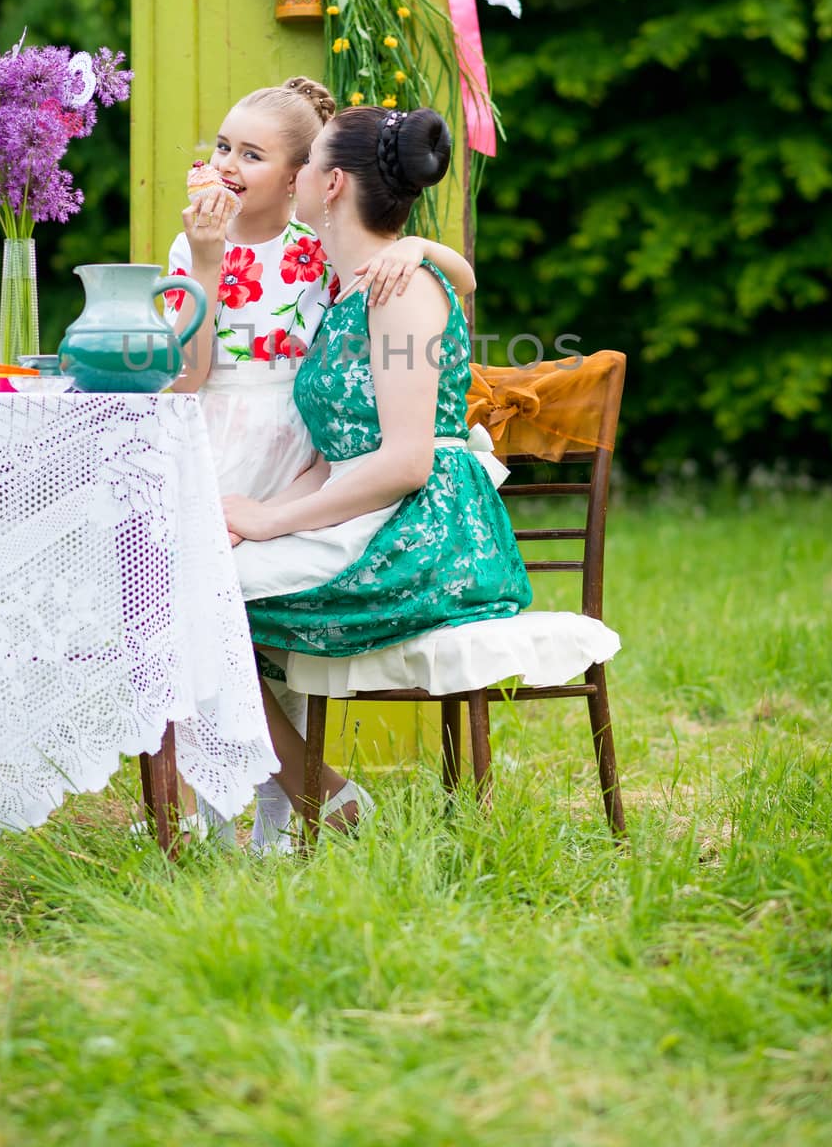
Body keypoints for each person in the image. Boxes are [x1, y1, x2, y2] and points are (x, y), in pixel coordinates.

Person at [222, 105, 616, 832]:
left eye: (307, 165)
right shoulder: (352, 292)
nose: (300, 175)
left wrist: (272, 520)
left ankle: (319, 800)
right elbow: (344, 452)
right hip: (371, 517)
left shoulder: (404, 294)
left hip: (425, 537)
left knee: (197, 608)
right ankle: (313, 798)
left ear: (332, 184)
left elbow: (405, 462)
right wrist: (249, 519)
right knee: (195, 588)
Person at [165, 79, 476, 848]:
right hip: (241, 443)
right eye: (222, 147)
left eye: (254, 154)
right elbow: (186, 371)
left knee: (240, 625)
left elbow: (438, 298)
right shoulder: (199, 243)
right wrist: (206, 262)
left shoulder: (337, 255)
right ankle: (237, 811)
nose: (228, 164)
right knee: (193, 602)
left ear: (313, 178)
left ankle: (293, 804)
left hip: (305, 452)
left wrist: (419, 246)